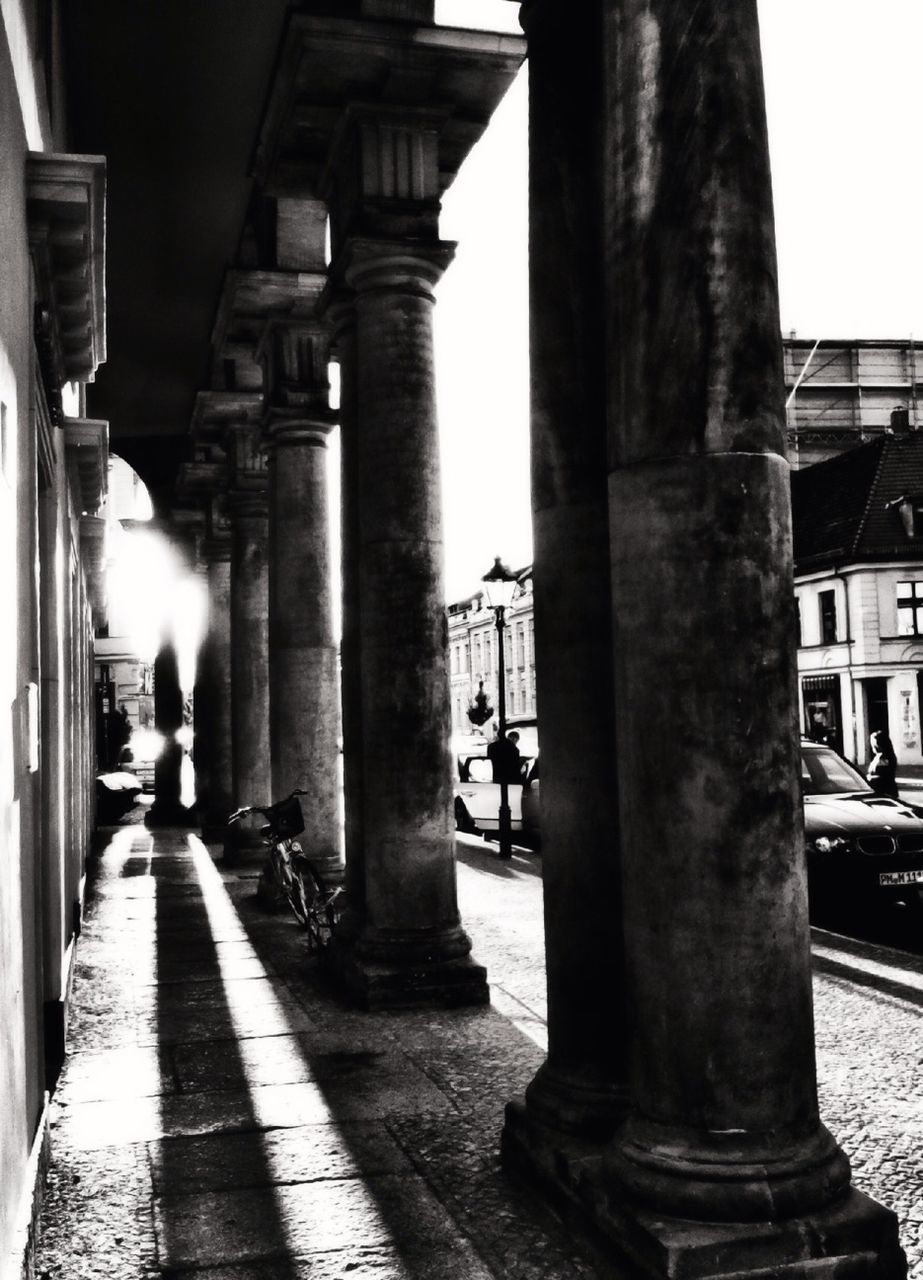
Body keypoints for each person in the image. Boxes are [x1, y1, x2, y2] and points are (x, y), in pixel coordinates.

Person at [867, 730, 898, 798]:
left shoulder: (884, 757)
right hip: (881, 791)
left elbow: (882, 774)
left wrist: (868, 778)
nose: (871, 745)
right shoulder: (879, 756)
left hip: (884, 791)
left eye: (873, 742)